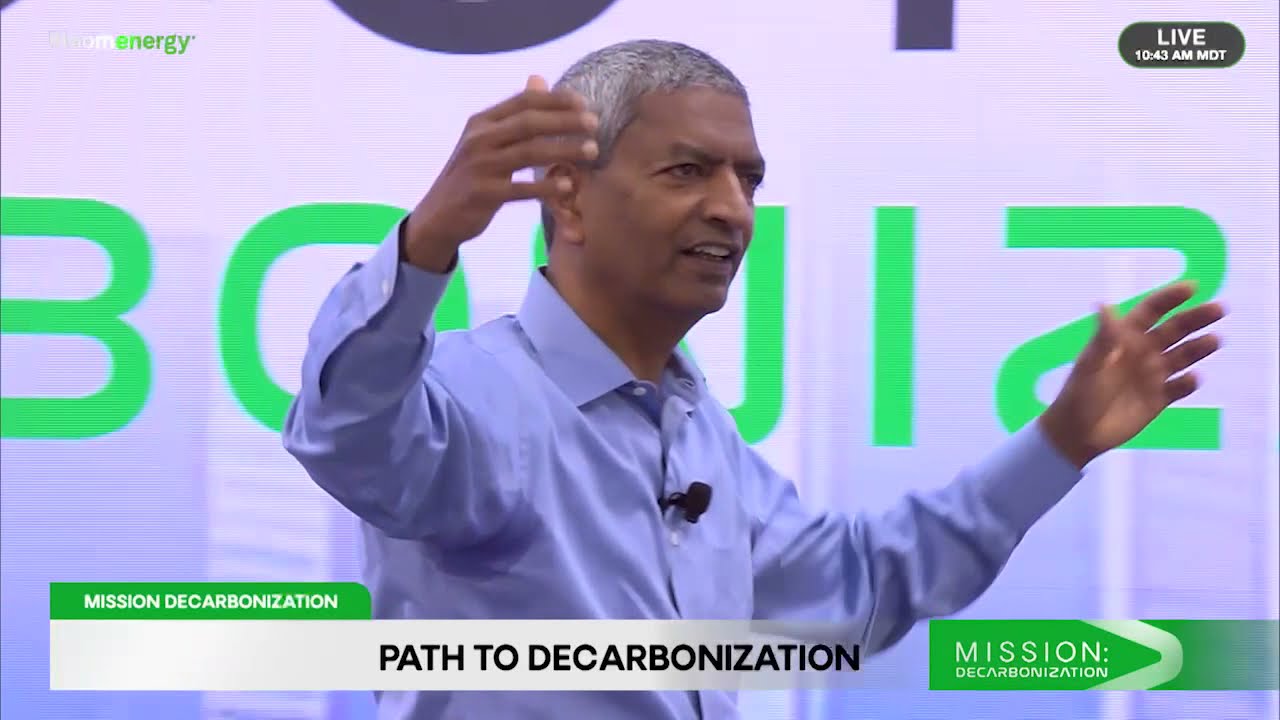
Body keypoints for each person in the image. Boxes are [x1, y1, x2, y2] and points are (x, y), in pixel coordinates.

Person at [282, 39, 1226, 720]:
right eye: (689, 171)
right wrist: (428, 239)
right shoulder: (470, 393)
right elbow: (346, 434)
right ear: (567, 195)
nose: (733, 211)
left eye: (749, 180)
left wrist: (1058, 445)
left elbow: (855, 591)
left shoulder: (699, 433)